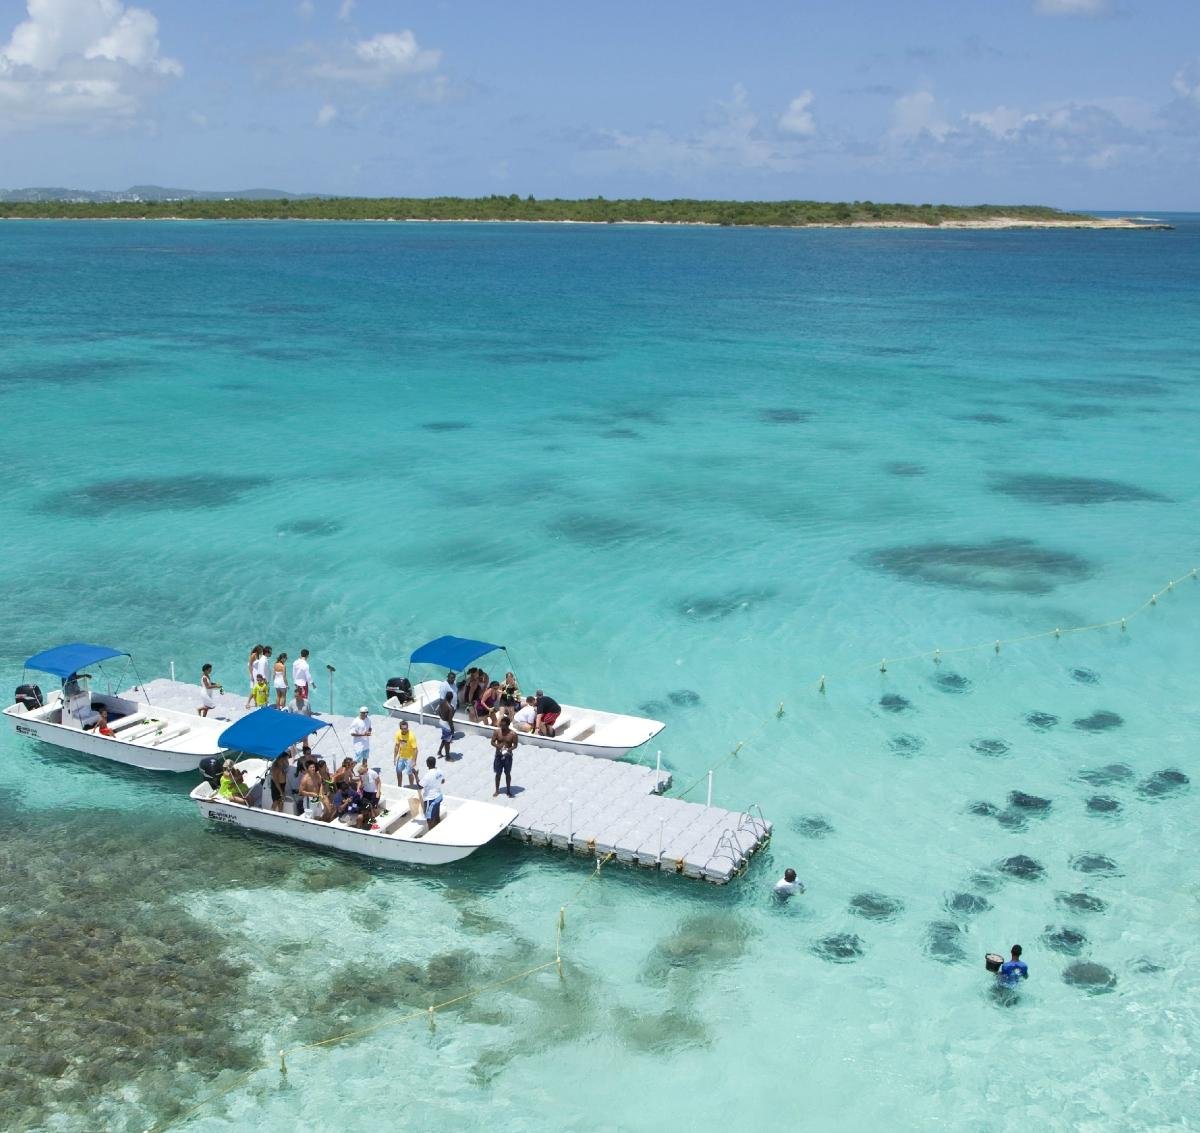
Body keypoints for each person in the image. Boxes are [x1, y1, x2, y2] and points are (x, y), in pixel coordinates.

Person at [490, 716, 518, 797]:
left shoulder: (513, 734)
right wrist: (497, 746)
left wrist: (509, 750)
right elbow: (492, 742)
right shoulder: (497, 732)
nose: (502, 727)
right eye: (501, 725)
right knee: (498, 773)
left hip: (508, 756)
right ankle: (497, 790)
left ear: (508, 725)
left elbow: (515, 745)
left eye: (503, 725)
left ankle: (508, 790)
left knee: (507, 773)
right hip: (498, 755)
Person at [421, 756, 445, 828]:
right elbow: (443, 781)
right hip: (439, 796)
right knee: (436, 815)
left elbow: (420, 786)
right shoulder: (439, 771)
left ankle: (431, 832)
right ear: (435, 763)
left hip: (431, 799)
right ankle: (437, 829)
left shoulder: (427, 775)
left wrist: (415, 775)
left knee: (429, 818)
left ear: (427, 764)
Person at [394, 719, 419, 787]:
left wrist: (414, 761)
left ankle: (411, 786)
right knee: (398, 771)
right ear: (400, 728)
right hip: (401, 756)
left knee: (408, 772)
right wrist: (395, 757)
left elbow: (416, 750)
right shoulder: (398, 734)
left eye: (406, 728)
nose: (405, 730)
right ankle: (399, 786)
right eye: (403, 728)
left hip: (409, 757)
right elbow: (397, 746)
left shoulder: (411, 736)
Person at [436, 692, 455, 759]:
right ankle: (447, 757)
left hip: (441, 722)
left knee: (445, 738)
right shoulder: (451, 708)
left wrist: (442, 717)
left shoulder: (441, 702)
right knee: (448, 742)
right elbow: (450, 720)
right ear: (451, 698)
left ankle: (439, 751)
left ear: (446, 696)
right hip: (447, 725)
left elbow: (438, 712)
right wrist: (452, 729)